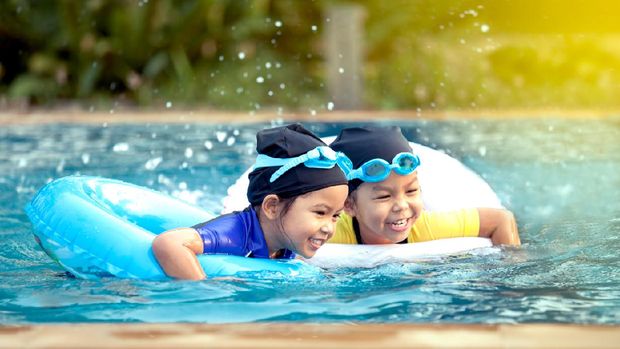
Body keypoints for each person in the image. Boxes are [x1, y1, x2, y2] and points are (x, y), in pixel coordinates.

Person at [152, 123, 350, 280]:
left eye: (335, 216)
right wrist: (204, 288)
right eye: (320, 213)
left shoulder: (285, 242)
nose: (329, 228)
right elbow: (169, 243)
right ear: (272, 207)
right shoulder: (234, 234)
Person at [328, 126, 521, 246]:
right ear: (349, 205)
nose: (402, 205)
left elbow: (501, 220)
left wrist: (510, 269)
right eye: (384, 197)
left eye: (411, 191)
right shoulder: (331, 230)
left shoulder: (425, 227)